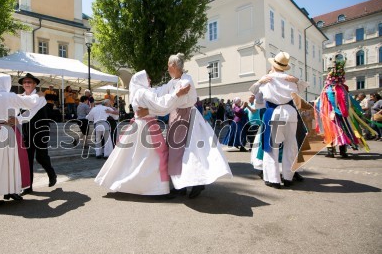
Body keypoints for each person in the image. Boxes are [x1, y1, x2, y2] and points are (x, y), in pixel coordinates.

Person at [137, 53, 232, 198]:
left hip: (187, 117)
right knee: (178, 152)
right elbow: (160, 94)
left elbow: (169, 102)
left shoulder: (186, 81)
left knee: (191, 152)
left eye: (168, 65)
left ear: (173, 65)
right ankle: (181, 185)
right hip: (178, 116)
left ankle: (196, 182)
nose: (167, 68)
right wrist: (145, 91)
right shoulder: (172, 82)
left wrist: (149, 110)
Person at [95, 70, 191, 195]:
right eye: (147, 78)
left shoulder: (141, 91)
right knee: (152, 157)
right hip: (146, 126)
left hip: (141, 125)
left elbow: (159, 92)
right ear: (141, 81)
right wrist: (177, 94)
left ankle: (136, 184)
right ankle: (154, 188)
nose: (150, 80)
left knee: (136, 158)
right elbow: (160, 105)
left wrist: (173, 82)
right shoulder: (143, 92)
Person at [0, 74, 46, 209]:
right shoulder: (7, 96)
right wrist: (38, 95)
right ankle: (10, 189)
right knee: (8, 162)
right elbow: (29, 103)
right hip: (5, 131)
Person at [249, 51, 307, 188]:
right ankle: (288, 177)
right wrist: (297, 80)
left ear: (273, 65)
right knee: (291, 145)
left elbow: (256, 98)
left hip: (274, 112)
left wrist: (259, 82)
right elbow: (303, 87)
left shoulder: (267, 79)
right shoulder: (291, 78)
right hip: (291, 113)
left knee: (271, 147)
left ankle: (273, 179)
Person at [315, 60, 377, 158]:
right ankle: (342, 151)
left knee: (331, 130)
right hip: (340, 115)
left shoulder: (327, 90)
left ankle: (331, 151)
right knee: (342, 129)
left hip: (332, 115)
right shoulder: (342, 89)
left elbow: (321, 104)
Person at [18, 73, 58, 195]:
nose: (27, 84)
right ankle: (28, 186)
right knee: (27, 158)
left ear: (35, 84)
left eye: (29, 82)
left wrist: (17, 119)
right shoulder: (20, 97)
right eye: (25, 82)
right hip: (27, 130)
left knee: (41, 156)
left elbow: (30, 112)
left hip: (41, 130)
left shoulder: (39, 96)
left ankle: (51, 173)